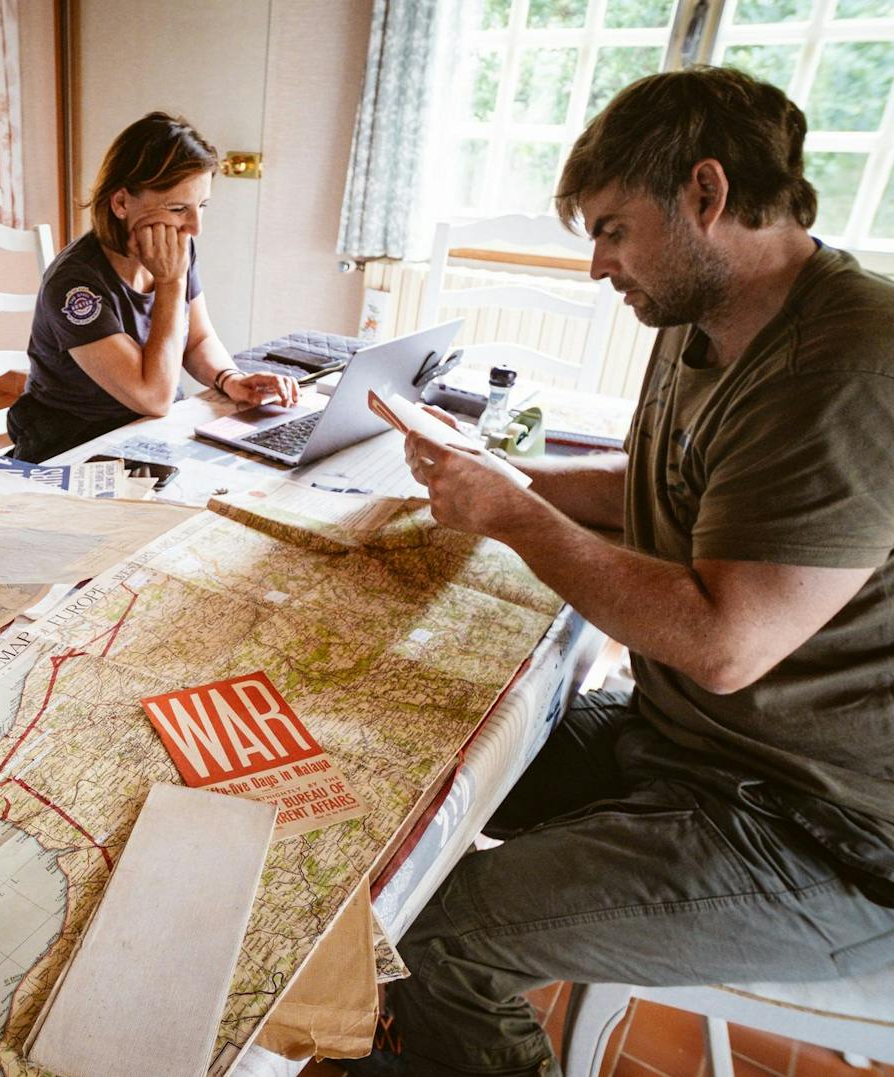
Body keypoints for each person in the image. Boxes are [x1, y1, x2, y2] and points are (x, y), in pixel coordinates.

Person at [363, 66, 894, 1075]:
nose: (598, 265)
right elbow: (657, 482)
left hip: (821, 831)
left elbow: (723, 639)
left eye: (611, 229)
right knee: (404, 754)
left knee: (426, 944)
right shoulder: (704, 312)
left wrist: (510, 515)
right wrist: (508, 474)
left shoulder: (849, 359)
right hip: (691, 748)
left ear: (704, 193)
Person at [5, 112, 298, 463]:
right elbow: (154, 397)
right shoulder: (74, 286)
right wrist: (171, 283)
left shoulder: (178, 246)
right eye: (177, 208)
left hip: (147, 431)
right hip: (74, 440)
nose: (194, 227)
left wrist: (229, 378)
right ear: (121, 203)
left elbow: (198, 339)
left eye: (201, 206)